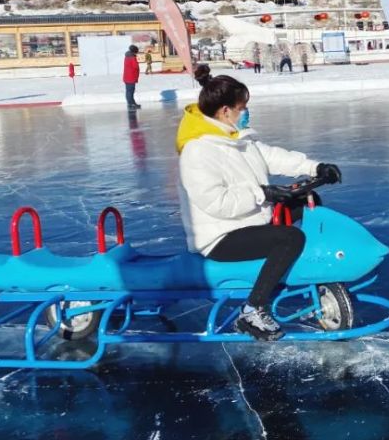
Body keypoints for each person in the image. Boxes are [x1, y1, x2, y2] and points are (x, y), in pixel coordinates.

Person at [176, 75, 342, 340]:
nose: (246, 112)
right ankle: (252, 310)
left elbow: (274, 156)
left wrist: (316, 167)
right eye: (242, 107)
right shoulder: (198, 151)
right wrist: (262, 193)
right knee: (289, 238)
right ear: (225, 110)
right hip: (219, 237)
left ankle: (306, 267)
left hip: (248, 220)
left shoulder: (235, 138)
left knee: (307, 202)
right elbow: (216, 203)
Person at [123, 44, 141, 109]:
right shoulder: (132, 58)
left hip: (127, 77)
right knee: (130, 91)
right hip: (131, 77)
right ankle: (131, 104)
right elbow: (135, 66)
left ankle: (131, 103)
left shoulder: (127, 56)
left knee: (128, 91)